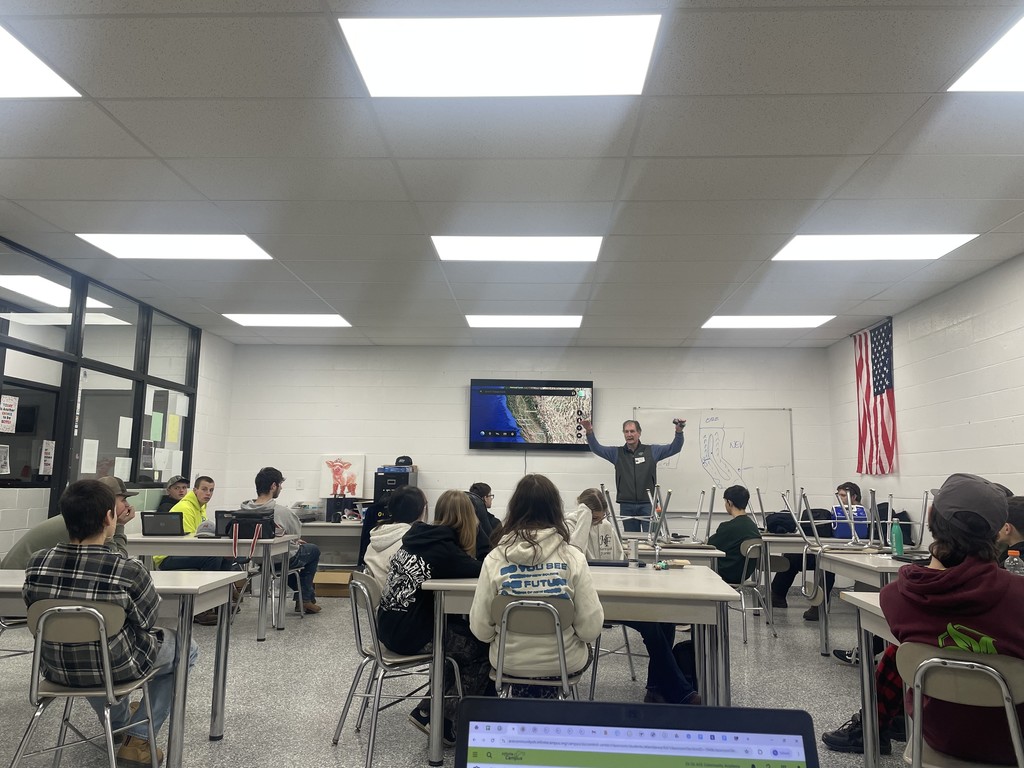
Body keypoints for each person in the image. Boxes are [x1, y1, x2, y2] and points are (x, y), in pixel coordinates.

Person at [822, 473, 1024, 762]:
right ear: (998, 531)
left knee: (896, 653)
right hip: (1015, 743)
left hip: (939, 739)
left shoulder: (896, 597)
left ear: (930, 516)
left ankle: (876, 726)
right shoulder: (1017, 595)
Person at [22, 479, 199, 767]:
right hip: (116, 667)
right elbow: (147, 620)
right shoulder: (126, 569)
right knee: (185, 648)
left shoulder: (37, 563)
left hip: (56, 669)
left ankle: (119, 721)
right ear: (109, 517)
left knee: (86, 647)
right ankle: (139, 738)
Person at [470, 474, 605, 699]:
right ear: (555, 510)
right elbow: (590, 629)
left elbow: (480, 629)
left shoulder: (495, 557)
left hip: (508, 661)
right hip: (563, 662)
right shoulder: (573, 557)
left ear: (514, 509)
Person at [377, 489, 491, 746]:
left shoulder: (419, 537)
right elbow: (484, 566)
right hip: (411, 636)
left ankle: (427, 709)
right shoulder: (445, 551)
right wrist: (479, 527)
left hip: (387, 628)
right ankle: (447, 724)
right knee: (481, 647)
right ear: (469, 518)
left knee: (459, 641)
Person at [567, 488, 701, 704]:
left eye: (601, 518)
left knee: (664, 621)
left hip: (615, 595)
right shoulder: (572, 526)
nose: (597, 523)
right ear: (582, 511)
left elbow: (621, 560)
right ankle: (682, 692)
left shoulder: (605, 526)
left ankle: (655, 689)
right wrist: (584, 518)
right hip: (590, 601)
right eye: (593, 518)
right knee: (651, 626)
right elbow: (574, 558)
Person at [156, 475, 241, 625]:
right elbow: (189, 542)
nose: (208, 493)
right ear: (195, 490)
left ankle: (219, 601)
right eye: (204, 489)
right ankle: (201, 609)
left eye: (211, 490)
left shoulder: (201, 507)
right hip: (169, 556)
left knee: (226, 556)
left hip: (183, 552)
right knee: (213, 557)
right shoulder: (185, 507)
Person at [1, 475, 134, 569]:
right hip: (16, 575)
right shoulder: (86, 523)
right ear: (107, 503)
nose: (128, 505)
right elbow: (116, 561)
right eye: (123, 500)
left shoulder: (78, 516)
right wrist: (119, 526)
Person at [772, 481, 860, 620]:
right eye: (839, 495)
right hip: (831, 551)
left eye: (843, 495)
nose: (840, 498)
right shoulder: (836, 512)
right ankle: (777, 595)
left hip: (846, 554)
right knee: (792, 557)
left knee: (827, 566)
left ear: (854, 497)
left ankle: (818, 606)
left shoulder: (860, 514)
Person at [239, 466, 322, 614]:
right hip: (281, 559)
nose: (281, 488)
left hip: (259, 561)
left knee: (293, 558)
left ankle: (303, 597)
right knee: (313, 550)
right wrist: (294, 541)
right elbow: (296, 534)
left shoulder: (242, 511)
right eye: (280, 485)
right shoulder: (281, 512)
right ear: (273, 486)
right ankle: (305, 599)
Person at [580, 417, 685, 531]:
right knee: (631, 541)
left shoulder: (652, 451)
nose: (629, 434)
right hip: (627, 505)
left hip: (648, 504)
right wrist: (589, 431)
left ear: (639, 433)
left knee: (651, 539)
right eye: (626, 431)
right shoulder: (617, 453)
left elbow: (675, 448)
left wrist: (679, 432)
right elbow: (597, 449)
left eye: (632, 431)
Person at [361, 486, 426, 590]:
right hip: (397, 603)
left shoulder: (376, 536)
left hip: (375, 602)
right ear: (421, 511)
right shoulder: (410, 543)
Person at [707, 485, 761, 585]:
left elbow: (710, 546)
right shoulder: (753, 526)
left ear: (729, 503)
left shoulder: (727, 527)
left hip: (727, 573)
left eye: (725, 502)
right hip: (744, 574)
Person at [467, 482, 500, 559]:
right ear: (485, 498)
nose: (491, 498)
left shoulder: (466, 520)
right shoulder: (495, 522)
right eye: (490, 496)